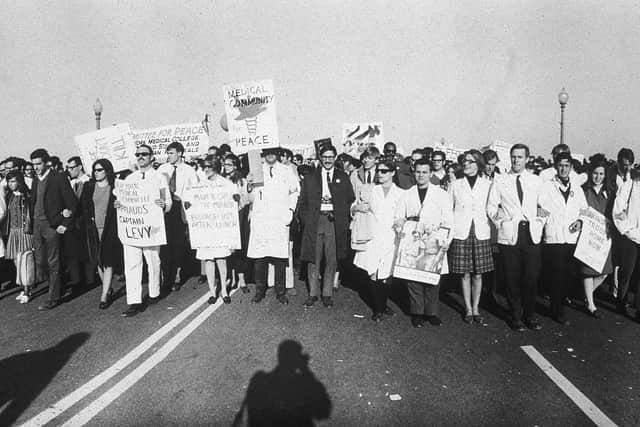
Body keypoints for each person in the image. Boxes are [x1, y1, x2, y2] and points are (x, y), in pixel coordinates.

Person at [487, 143, 547, 331]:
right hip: (510, 234)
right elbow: (491, 207)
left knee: (531, 277)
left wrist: (538, 221)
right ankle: (515, 315)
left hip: (531, 234)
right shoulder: (500, 180)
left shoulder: (536, 181)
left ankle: (530, 315)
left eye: (520, 157)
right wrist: (501, 222)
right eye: (513, 156)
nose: (516, 160)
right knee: (512, 278)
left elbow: (545, 207)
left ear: (527, 159)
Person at [394, 159, 453, 328]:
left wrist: (446, 239)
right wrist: (400, 227)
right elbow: (399, 215)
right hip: (412, 236)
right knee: (413, 277)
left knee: (432, 276)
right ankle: (417, 312)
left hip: (434, 236)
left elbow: (448, 219)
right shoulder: (407, 193)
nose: (421, 175)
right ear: (414, 172)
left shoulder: (441, 194)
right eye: (418, 172)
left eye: (424, 172)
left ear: (431, 174)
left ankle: (431, 313)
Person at [116, 144, 172, 317]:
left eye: (144, 154)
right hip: (132, 228)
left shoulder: (159, 178)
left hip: (151, 227)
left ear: (151, 157)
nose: (141, 157)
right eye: (138, 154)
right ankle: (134, 301)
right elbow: (122, 199)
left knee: (153, 260)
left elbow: (168, 201)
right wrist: (117, 204)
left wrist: (165, 205)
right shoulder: (129, 179)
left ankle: (154, 292)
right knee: (132, 264)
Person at [299, 145, 355, 308]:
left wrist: (341, 217)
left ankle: (327, 293)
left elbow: (349, 199)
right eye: (325, 157)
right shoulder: (311, 176)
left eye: (331, 157)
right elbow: (302, 202)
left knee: (332, 259)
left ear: (335, 157)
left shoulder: (342, 177)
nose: (328, 160)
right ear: (320, 158)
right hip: (315, 221)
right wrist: (307, 220)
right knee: (313, 258)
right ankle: (313, 294)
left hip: (333, 222)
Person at [539, 152, 588, 325]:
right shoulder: (546, 186)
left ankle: (559, 306)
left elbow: (584, 209)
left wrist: (581, 221)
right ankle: (557, 311)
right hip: (554, 238)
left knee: (567, 275)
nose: (564, 169)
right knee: (555, 276)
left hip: (571, 238)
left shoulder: (577, 188)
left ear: (571, 168)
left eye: (567, 166)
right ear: (555, 167)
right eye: (560, 165)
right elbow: (539, 206)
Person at [353, 158, 404, 321]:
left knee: (386, 274)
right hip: (372, 235)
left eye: (384, 171)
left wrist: (401, 222)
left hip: (391, 237)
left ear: (392, 173)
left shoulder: (401, 193)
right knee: (373, 271)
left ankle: (382, 303)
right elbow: (355, 205)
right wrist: (356, 208)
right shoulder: (370, 190)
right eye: (378, 171)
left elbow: (404, 214)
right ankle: (378, 308)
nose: (380, 174)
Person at [246, 147, 300, 304]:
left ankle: (280, 291)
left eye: (273, 153)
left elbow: (295, 191)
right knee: (260, 257)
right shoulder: (256, 170)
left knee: (279, 258)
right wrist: (249, 186)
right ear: (263, 155)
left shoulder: (286, 170)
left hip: (279, 219)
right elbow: (250, 199)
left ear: (277, 154)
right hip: (261, 220)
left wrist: (290, 210)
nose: (270, 155)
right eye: (267, 153)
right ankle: (260, 291)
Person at [448, 150, 494, 324]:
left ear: (478, 164)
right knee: (464, 274)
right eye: (464, 161)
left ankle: (476, 308)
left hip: (481, 231)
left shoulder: (488, 184)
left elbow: (492, 208)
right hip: (461, 232)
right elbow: (448, 210)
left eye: (469, 161)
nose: (465, 164)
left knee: (478, 274)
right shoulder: (455, 184)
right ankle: (468, 309)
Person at [29, 149, 77, 311]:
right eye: (33, 164)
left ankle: (54, 297)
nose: (35, 167)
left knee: (53, 261)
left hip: (52, 225)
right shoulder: (36, 180)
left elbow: (71, 203)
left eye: (38, 164)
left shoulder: (58, 177)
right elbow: (34, 202)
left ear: (46, 162)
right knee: (40, 261)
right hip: (37, 225)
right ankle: (57, 286)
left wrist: (65, 223)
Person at [187, 156, 238, 304]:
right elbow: (190, 201)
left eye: (209, 166)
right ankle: (211, 291)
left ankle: (223, 290)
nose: (206, 169)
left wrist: (235, 200)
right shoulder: (199, 185)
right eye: (204, 167)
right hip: (206, 229)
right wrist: (189, 206)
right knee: (208, 259)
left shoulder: (226, 184)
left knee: (221, 259)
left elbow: (234, 203)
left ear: (216, 167)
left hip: (220, 228)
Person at [79, 159, 122, 309]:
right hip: (93, 228)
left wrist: (119, 204)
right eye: (95, 170)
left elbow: (122, 203)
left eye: (100, 170)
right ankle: (107, 287)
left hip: (110, 229)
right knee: (98, 261)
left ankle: (104, 296)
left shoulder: (115, 186)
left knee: (108, 260)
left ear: (107, 171)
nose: (96, 173)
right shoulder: (89, 186)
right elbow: (83, 206)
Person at [158, 142, 199, 291]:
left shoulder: (189, 170)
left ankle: (177, 275)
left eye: (171, 153)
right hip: (165, 210)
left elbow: (195, 190)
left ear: (180, 153)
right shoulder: (162, 169)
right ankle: (166, 277)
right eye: (167, 153)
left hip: (180, 210)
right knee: (165, 245)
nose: (168, 156)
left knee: (178, 244)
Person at [581, 160, 615, 318]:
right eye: (595, 173)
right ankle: (590, 304)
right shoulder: (584, 191)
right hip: (588, 235)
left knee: (604, 272)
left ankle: (585, 294)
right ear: (590, 173)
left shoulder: (610, 192)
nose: (598, 177)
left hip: (603, 236)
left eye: (601, 174)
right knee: (588, 271)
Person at [612, 168, 640, 322]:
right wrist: (628, 230)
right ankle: (621, 302)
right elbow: (617, 211)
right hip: (630, 237)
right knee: (626, 272)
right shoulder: (629, 186)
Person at [223, 154, 251, 293]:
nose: (225, 167)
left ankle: (242, 279)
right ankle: (230, 277)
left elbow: (246, 200)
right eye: (224, 164)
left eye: (228, 164)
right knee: (227, 249)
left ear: (235, 166)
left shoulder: (241, 181)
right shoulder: (221, 180)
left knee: (239, 248)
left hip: (238, 216)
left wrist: (238, 199)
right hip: (225, 219)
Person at [2, 171, 30, 303]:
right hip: (13, 231)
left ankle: (27, 290)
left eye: (13, 181)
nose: (11, 184)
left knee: (25, 261)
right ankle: (22, 286)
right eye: (9, 182)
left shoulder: (26, 195)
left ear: (20, 181)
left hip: (24, 231)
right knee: (16, 261)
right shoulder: (9, 196)